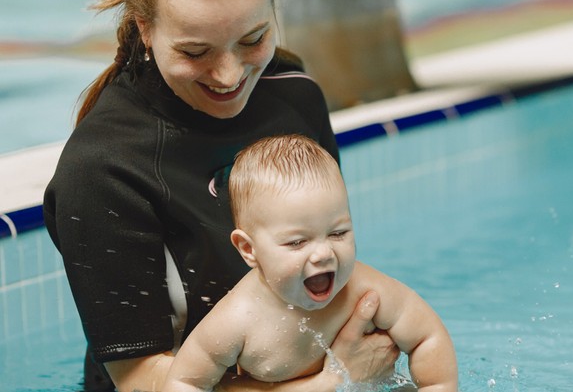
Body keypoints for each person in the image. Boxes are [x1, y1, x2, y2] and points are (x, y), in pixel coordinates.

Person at [42, 0, 399, 390]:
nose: (229, 75)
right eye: (195, 51)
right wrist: (334, 382)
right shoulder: (102, 169)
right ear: (145, 28)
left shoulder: (295, 96)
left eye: (253, 39)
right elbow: (140, 381)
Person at [162, 135, 458, 392]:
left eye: (338, 233)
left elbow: (427, 336)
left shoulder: (365, 290)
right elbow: (185, 382)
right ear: (249, 249)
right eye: (297, 242)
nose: (323, 254)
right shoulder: (236, 320)